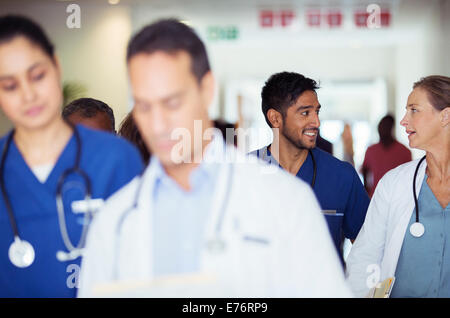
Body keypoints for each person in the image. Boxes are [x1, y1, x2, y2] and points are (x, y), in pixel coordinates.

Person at [78, 19, 352, 297]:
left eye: (172, 102)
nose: (158, 124)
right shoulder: (114, 221)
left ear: (207, 88)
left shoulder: (285, 199)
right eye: (144, 106)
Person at [0, 15, 143, 297]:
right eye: (10, 85)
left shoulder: (117, 160)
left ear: (56, 66)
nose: (28, 95)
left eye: (37, 75)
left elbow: (143, 263)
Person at [346, 75, 450, 298]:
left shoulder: (397, 152)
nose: (404, 120)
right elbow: (365, 257)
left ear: (446, 116)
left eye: (414, 110)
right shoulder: (394, 183)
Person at [250, 72, 370, 262]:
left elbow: (368, 252)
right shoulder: (242, 174)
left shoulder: (342, 176)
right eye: (305, 113)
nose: (316, 122)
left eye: (317, 112)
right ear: (275, 118)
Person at [361, 114, 412, 197]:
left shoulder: (404, 151)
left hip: (398, 197)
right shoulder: (371, 150)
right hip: (375, 196)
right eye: (380, 127)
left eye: (385, 127)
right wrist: (366, 190)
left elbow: (409, 177)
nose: (381, 130)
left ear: (391, 128)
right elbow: (365, 170)